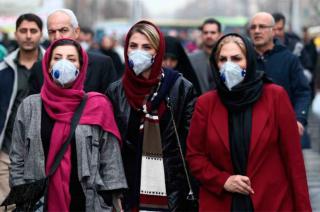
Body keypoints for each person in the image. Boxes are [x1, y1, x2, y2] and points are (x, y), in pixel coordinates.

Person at [186, 33, 311, 211]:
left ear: (250, 61)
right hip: (222, 202)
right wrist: (223, 180)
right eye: (223, 59)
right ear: (215, 64)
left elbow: (293, 161)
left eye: (236, 58)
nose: (229, 65)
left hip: (271, 202)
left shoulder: (276, 96)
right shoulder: (206, 103)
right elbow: (195, 156)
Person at [9, 38, 127, 211]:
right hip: (39, 204)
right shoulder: (30, 106)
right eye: (57, 58)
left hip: (86, 203)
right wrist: (22, 195)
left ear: (81, 66)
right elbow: (17, 157)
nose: (64, 63)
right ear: (48, 66)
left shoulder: (98, 105)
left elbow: (110, 160)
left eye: (71, 59)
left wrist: (107, 200)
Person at [106, 20, 196, 211]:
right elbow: (110, 146)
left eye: (147, 47)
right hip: (127, 188)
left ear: (158, 51)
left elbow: (191, 143)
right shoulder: (115, 91)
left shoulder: (180, 87)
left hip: (170, 189)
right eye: (133, 46)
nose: (139, 52)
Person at [0, 13, 45, 205]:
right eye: (23, 31)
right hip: (6, 154)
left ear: (41, 34)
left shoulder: (52, 69)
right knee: (7, 205)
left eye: (33, 31)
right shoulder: (4, 71)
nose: (28, 36)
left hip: (42, 155)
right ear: (16, 34)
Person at [249, 12, 311, 137]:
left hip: (282, 128)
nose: (257, 31)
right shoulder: (243, 58)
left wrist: (299, 118)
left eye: (262, 27)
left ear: (273, 31)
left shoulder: (289, 59)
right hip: (250, 129)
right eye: (253, 27)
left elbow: (302, 92)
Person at [29, 8, 118, 94]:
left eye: (63, 30)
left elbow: (112, 104)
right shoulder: (39, 68)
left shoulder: (102, 64)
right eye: (52, 32)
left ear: (76, 32)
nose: (57, 37)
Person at [189, 18, 222, 94]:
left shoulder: (227, 58)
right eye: (205, 32)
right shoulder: (191, 59)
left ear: (220, 35)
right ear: (201, 35)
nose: (209, 36)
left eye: (213, 32)